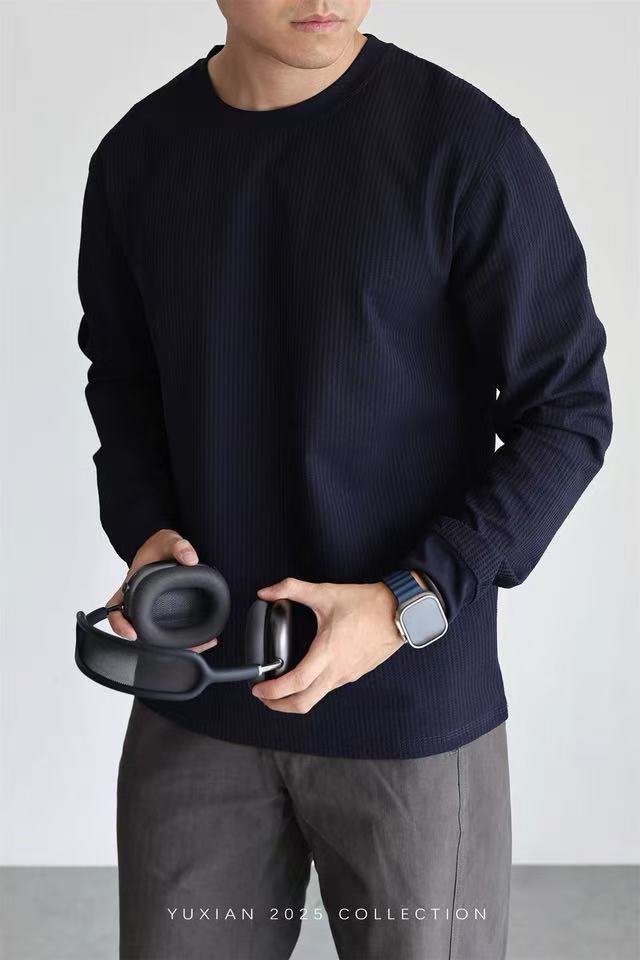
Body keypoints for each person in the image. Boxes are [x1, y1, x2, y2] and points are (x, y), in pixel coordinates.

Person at [76, 2, 613, 958]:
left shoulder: (469, 150)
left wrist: (412, 599)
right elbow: (123, 378)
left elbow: (567, 414)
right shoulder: (138, 156)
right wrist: (146, 529)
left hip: (410, 714)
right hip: (198, 700)